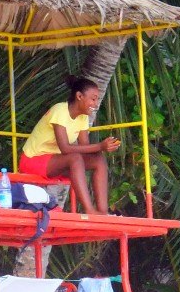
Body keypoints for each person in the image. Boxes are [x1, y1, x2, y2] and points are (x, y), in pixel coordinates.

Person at [19, 75, 121, 216]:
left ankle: (103, 212)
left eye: (97, 99)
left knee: (98, 159)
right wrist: (100, 146)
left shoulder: (83, 117)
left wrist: (105, 147)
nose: (96, 103)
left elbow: (85, 148)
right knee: (75, 158)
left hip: (54, 162)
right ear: (79, 96)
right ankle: (89, 210)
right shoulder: (60, 110)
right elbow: (65, 148)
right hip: (33, 160)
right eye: (93, 98)